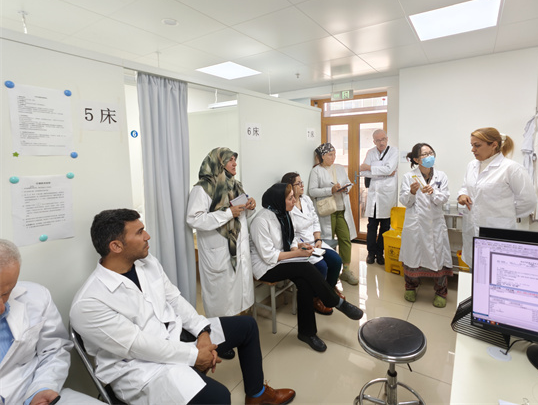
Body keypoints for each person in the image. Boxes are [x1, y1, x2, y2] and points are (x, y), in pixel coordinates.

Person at [70, 209, 295, 405]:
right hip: (143, 368)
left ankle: (257, 395)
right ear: (116, 246)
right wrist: (195, 355)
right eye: (139, 232)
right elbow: (140, 346)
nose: (147, 236)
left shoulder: (146, 263)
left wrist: (202, 332)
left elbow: (175, 299)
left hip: (176, 336)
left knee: (247, 326)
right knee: (219, 397)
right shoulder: (89, 304)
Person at [249, 183, 363, 353]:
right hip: (266, 267)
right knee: (304, 267)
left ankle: (307, 333)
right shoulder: (261, 221)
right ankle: (334, 301)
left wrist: (298, 247)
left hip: (281, 260)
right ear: (279, 200)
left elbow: (291, 238)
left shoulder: (284, 214)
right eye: (290, 198)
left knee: (305, 282)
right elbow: (268, 256)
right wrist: (297, 254)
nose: (294, 201)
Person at [0, 239, 102, 405]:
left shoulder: (37, 297)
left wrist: (42, 388)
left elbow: (54, 350)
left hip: (33, 391)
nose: (2, 307)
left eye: (6, 293)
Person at [186, 147, 256, 318]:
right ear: (218, 163)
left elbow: (241, 215)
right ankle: (222, 331)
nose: (235, 163)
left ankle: (239, 324)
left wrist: (249, 207)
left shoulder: (235, 184)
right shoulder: (202, 188)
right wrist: (227, 213)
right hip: (218, 252)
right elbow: (194, 219)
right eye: (230, 160)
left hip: (238, 247)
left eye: (234, 159)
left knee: (239, 298)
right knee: (222, 303)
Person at [458, 127, 537, 267]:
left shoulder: (511, 168)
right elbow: (466, 186)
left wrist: (504, 214)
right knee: (475, 268)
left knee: (497, 269)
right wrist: (462, 194)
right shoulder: (472, 166)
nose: (473, 150)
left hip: (498, 230)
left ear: (494, 145)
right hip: (472, 228)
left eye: (477, 145)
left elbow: (528, 201)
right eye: (472, 145)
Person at [281, 172, 344, 316]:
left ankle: (329, 291)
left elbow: (315, 220)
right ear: (290, 187)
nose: (302, 186)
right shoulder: (287, 207)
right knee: (322, 266)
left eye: (302, 182)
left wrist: (318, 239)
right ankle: (316, 298)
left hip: (314, 241)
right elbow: (290, 234)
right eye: (298, 183)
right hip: (302, 245)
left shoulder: (306, 200)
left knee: (336, 261)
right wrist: (300, 247)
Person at [398, 143, 453, 308]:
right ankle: (410, 287)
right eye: (425, 154)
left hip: (435, 223)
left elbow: (444, 198)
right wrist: (412, 192)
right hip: (416, 224)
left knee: (439, 256)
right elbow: (405, 201)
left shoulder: (441, 176)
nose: (429, 156)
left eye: (431, 153)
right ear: (416, 159)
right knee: (413, 256)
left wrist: (433, 192)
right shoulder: (409, 177)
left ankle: (441, 292)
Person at [307, 143, 358, 286]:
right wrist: (331, 190)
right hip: (327, 211)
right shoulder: (316, 171)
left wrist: (345, 188)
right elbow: (312, 191)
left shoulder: (340, 168)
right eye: (330, 154)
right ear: (322, 156)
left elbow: (348, 183)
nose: (333, 157)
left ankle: (346, 271)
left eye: (334, 154)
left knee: (345, 239)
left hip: (341, 210)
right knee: (328, 241)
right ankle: (330, 272)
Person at [359, 129, 398, 265]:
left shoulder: (394, 151)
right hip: (374, 195)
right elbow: (363, 171)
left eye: (383, 139)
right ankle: (371, 253)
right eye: (378, 140)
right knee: (371, 226)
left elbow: (389, 169)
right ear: (374, 141)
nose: (381, 143)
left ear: (387, 139)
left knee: (385, 226)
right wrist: (384, 171)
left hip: (387, 196)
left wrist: (370, 167)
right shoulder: (370, 152)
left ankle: (380, 253)